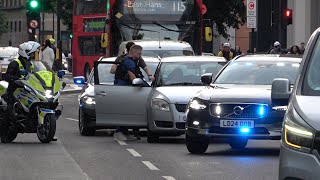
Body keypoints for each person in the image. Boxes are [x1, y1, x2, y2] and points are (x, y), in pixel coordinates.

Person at [1, 41, 40, 142]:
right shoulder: (15, 63)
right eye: (32, 53)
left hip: (27, 91)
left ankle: (45, 129)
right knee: (9, 111)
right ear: (26, 53)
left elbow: (38, 75)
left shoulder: (31, 64)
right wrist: (14, 79)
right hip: (14, 91)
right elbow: (7, 76)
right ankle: (3, 135)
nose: (33, 55)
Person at [113, 45, 144, 141]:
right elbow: (132, 77)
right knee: (123, 110)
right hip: (123, 89)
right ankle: (118, 132)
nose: (140, 56)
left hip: (124, 89)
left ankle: (125, 132)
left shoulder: (127, 60)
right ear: (134, 52)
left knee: (125, 110)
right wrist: (141, 85)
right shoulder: (129, 62)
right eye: (139, 54)